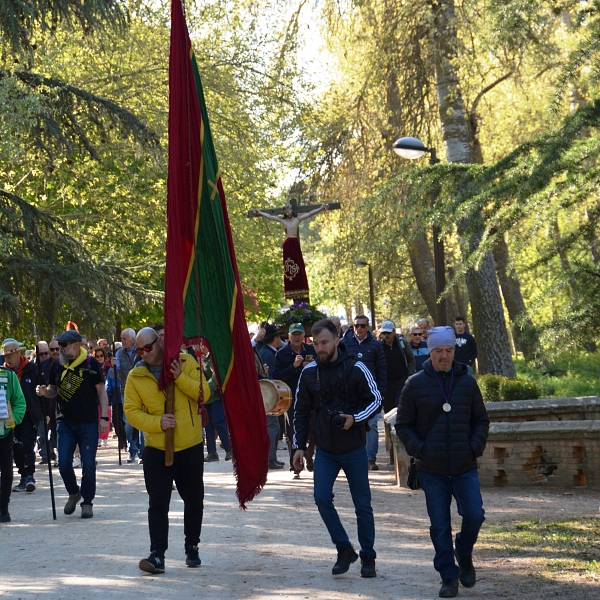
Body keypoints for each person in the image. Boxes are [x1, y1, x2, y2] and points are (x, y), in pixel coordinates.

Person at [395, 326, 489, 598]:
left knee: (475, 515)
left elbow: (481, 420)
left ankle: (464, 550)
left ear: (454, 351)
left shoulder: (467, 382)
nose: (444, 356)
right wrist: (421, 450)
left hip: (464, 465)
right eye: (439, 351)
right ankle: (448, 576)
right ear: (431, 352)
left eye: (449, 350)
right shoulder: (415, 384)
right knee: (439, 524)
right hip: (432, 469)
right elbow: (403, 425)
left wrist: (474, 447)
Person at [293, 319, 382, 578]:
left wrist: (355, 418)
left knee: (362, 504)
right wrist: (299, 446)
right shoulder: (309, 373)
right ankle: (344, 548)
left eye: (325, 342)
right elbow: (299, 411)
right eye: (316, 343)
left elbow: (376, 399)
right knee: (321, 498)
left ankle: (368, 556)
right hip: (325, 450)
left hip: (354, 447)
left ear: (337, 341)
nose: (319, 348)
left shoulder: (357, 367)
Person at [124, 327, 210, 574]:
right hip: (156, 447)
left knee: (194, 499)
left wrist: (180, 377)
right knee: (158, 501)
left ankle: (191, 546)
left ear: (160, 342)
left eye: (147, 348)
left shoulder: (186, 361)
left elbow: (204, 393)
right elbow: (131, 411)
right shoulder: (135, 375)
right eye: (138, 350)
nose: (143, 354)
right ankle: (157, 554)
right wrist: (157, 423)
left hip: (190, 444)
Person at [37, 330, 109, 519]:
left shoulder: (90, 363)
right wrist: (45, 391)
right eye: (59, 345)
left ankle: (87, 502)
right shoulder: (56, 364)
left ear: (76, 345)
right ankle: (73, 492)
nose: (60, 349)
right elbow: (54, 389)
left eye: (64, 345)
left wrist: (104, 418)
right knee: (63, 463)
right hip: (64, 422)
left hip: (88, 423)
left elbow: (101, 391)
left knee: (88, 466)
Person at [342, 315, 386, 470]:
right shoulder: (344, 343)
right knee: (352, 422)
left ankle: (370, 458)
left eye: (362, 325)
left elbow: (381, 369)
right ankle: (351, 456)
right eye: (356, 325)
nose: (359, 328)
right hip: (350, 391)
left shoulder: (376, 345)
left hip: (371, 391)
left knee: (372, 424)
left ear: (368, 327)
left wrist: (381, 391)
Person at [272, 322, 315, 477]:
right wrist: (295, 366)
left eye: (299, 334)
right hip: (291, 399)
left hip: (311, 397)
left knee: (313, 430)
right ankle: (295, 466)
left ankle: (309, 456)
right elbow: (276, 377)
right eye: (294, 334)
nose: (297, 337)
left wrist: (310, 367)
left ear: (304, 336)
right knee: (292, 432)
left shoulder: (311, 350)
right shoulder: (281, 354)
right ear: (288, 336)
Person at [2, 338, 41, 493]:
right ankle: (23, 475)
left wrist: (44, 412)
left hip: (28, 414)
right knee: (15, 446)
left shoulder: (32, 369)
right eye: (4, 357)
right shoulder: (3, 373)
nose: (6, 360)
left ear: (18, 354)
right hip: (8, 416)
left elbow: (42, 391)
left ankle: (29, 476)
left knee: (27, 444)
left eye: (9, 356)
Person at [0, 361, 26, 522]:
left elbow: (19, 402)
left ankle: (4, 507)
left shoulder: (8, 375)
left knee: (7, 472)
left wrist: (13, 420)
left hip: (5, 432)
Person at [258, 324, 284, 470]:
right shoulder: (268, 353)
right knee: (272, 426)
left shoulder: (266, 351)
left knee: (273, 426)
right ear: (275, 338)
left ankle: (271, 457)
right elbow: (270, 377)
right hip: (268, 396)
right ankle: (270, 458)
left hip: (267, 395)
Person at [116, 328, 142, 463]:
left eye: (124, 338)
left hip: (142, 390)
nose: (122, 341)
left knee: (142, 420)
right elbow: (116, 373)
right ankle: (131, 448)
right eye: (121, 338)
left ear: (133, 339)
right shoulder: (119, 352)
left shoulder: (141, 350)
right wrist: (114, 368)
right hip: (125, 390)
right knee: (128, 421)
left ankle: (141, 451)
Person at [378, 321, 415, 413]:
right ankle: (388, 428)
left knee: (399, 406)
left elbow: (411, 360)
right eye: (384, 333)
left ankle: (399, 427)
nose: (386, 335)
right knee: (388, 409)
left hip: (401, 380)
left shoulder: (403, 343)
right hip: (386, 383)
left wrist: (409, 377)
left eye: (388, 333)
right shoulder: (379, 346)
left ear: (394, 331)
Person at [202, 351, 232, 463]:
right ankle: (212, 453)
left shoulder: (213, 356)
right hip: (207, 398)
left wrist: (206, 388)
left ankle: (229, 449)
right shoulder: (203, 357)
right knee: (208, 425)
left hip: (215, 396)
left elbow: (216, 375)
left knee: (217, 421)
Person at [94, 348, 112, 448]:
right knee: (97, 415)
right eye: (97, 356)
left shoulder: (109, 366)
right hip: (96, 394)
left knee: (106, 415)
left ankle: (104, 437)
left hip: (107, 393)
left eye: (101, 356)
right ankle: (98, 437)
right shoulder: (93, 367)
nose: (100, 358)